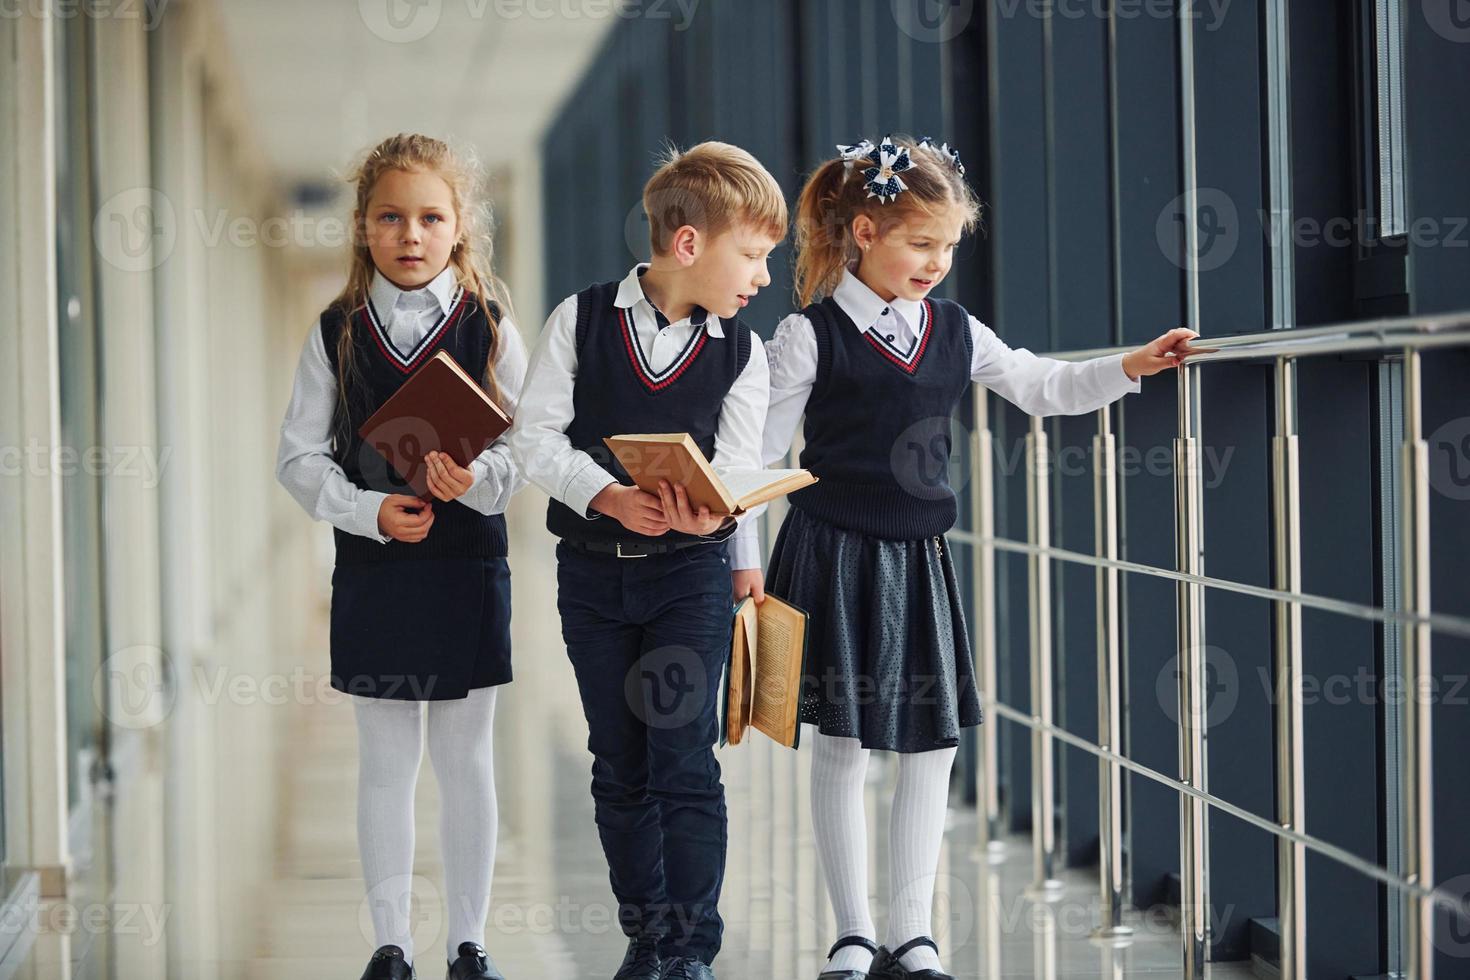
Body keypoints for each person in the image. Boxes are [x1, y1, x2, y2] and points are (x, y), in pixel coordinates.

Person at [729, 134, 1202, 980]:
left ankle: (913, 932)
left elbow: (1041, 386)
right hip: (830, 555)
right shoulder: (808, 336)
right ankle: (852, 934)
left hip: (918, 560)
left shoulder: (953, 329)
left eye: (949, 246)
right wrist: (745, 562)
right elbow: (757, 461)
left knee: (931, 743)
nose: (938, 262)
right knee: (842, 744)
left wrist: (1130, 366)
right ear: (865, 232)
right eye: (921, 243)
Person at [509, 141, 786, 980]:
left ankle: (692, 949)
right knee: (618, 760)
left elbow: (737, 468)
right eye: (754, 255)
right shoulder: (580, 319)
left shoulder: (744, 353)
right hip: (592, 575)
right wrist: (607, 495)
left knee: (683, 756)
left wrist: (731, 537)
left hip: (687, 579)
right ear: (690, 245)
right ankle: (647, 939)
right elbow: (533, 438)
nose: (763, 278)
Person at [276, 133, 529, 980]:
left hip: (468, 564)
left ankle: (469, 943)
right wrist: (368, 511)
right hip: (377, 568)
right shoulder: (336, 332)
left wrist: (480, 477)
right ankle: (390, 944)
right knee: (385, 761)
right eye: (391, 217)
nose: (410, 234)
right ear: (363, 227)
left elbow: (531, 444)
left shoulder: (491, 323)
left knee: (467, 760)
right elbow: (298, 458)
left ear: (460, 227)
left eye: (430, 217)